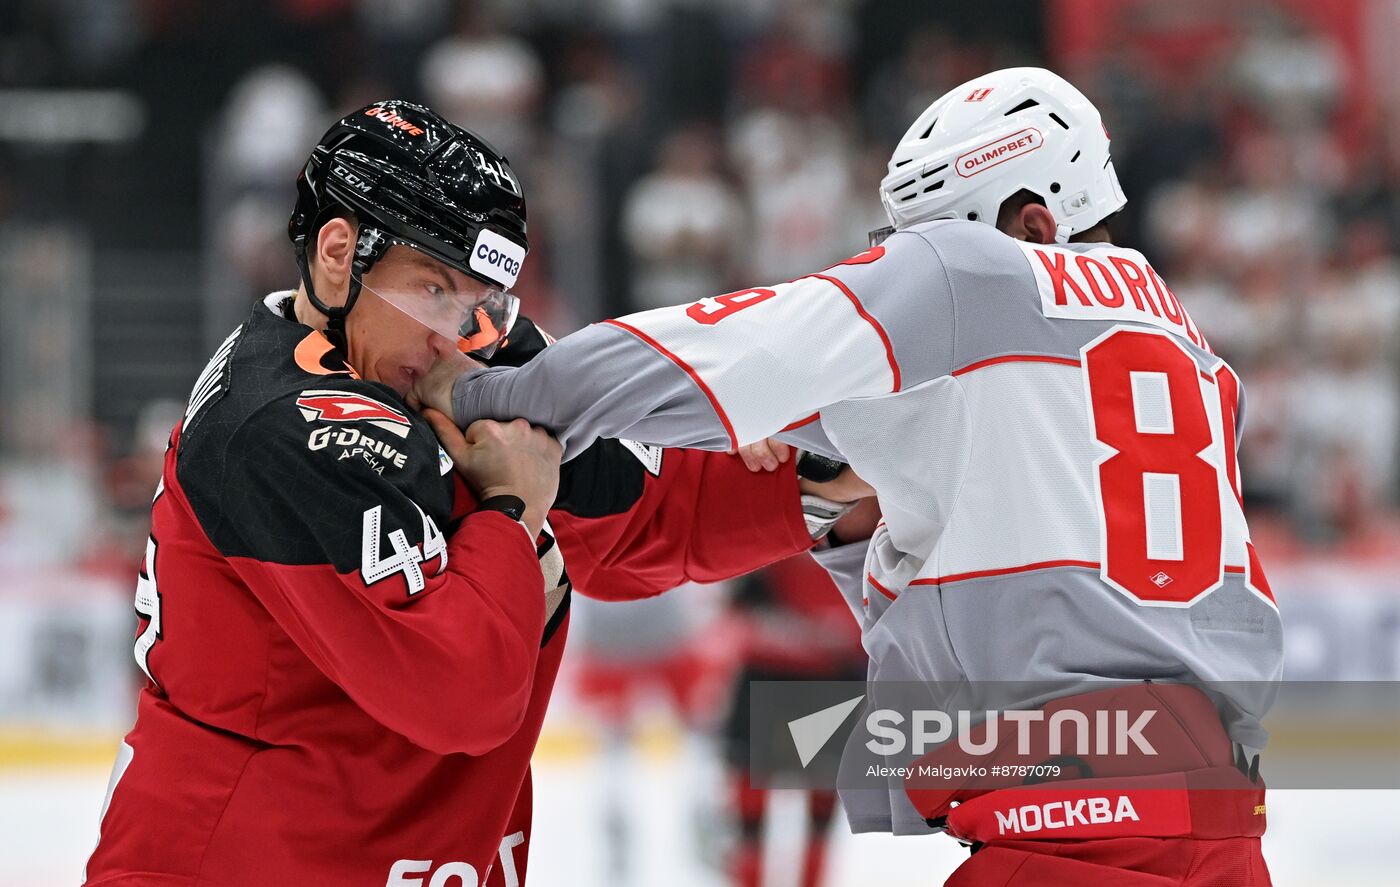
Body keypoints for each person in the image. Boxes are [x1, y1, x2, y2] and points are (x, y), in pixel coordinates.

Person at [418, 69, 1285, 885]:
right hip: (1224, 825)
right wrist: (826, 485)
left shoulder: (973, 280)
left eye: (935, 233)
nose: (913, 258)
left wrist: (481, 387)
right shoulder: (1198, 358)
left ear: (1033, 222)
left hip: (1073, 833)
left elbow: (715, 352)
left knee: (763, 766)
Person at [84, 100, 869, 887]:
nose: (451, 331)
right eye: (431, 290)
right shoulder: (280, 425)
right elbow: (458, 695)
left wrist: (817, 478)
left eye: (474, 301)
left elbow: (633, 514)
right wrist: (512, 509)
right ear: (336, 253)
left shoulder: (454, 353)